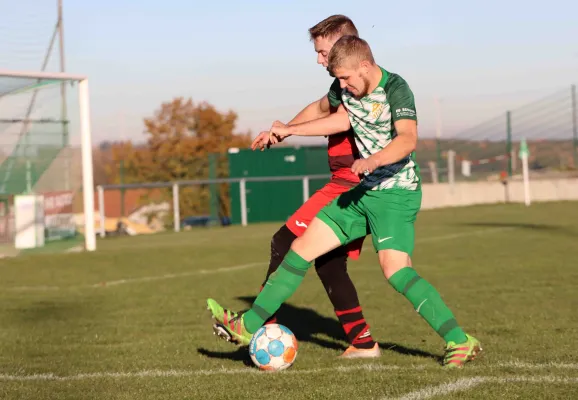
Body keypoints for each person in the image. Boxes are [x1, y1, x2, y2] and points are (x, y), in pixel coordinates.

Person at [208, 35, 482, 368]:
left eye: (346, 78)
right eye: (338, 79)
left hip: (395, 194)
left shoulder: (396, 88)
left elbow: (407, 139)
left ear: (365, 66)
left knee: (396, 272)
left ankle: (459, 341)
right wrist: (288, 130)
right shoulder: (346, 89)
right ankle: (247, 326)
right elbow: (340, 119)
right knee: (300, 247)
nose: (341, 86)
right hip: (361, 192)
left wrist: (374, 160)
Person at [209, 15, 379, 359]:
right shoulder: (342, 84)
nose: (319, 59)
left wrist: (291, 131)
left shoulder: (359, 84)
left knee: (284, 241)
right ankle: (363, 343)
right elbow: (320, 107)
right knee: (329, 262)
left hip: (351, 184)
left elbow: (339, 119)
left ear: (342, 43)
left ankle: (256, 323)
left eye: (321, 51)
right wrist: (285, 126)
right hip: (347, 183)